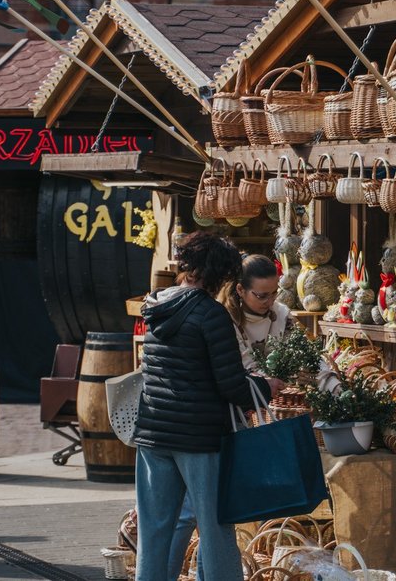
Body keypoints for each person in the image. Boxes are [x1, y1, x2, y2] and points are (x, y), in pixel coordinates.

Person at [134, 233, 283, 581]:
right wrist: (267, 387)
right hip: (199, 437)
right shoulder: (211, 314)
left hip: (154, 432)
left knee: (154, 529)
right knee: (215, 526)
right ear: (220, 274)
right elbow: (231, 384)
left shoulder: (155, 306)